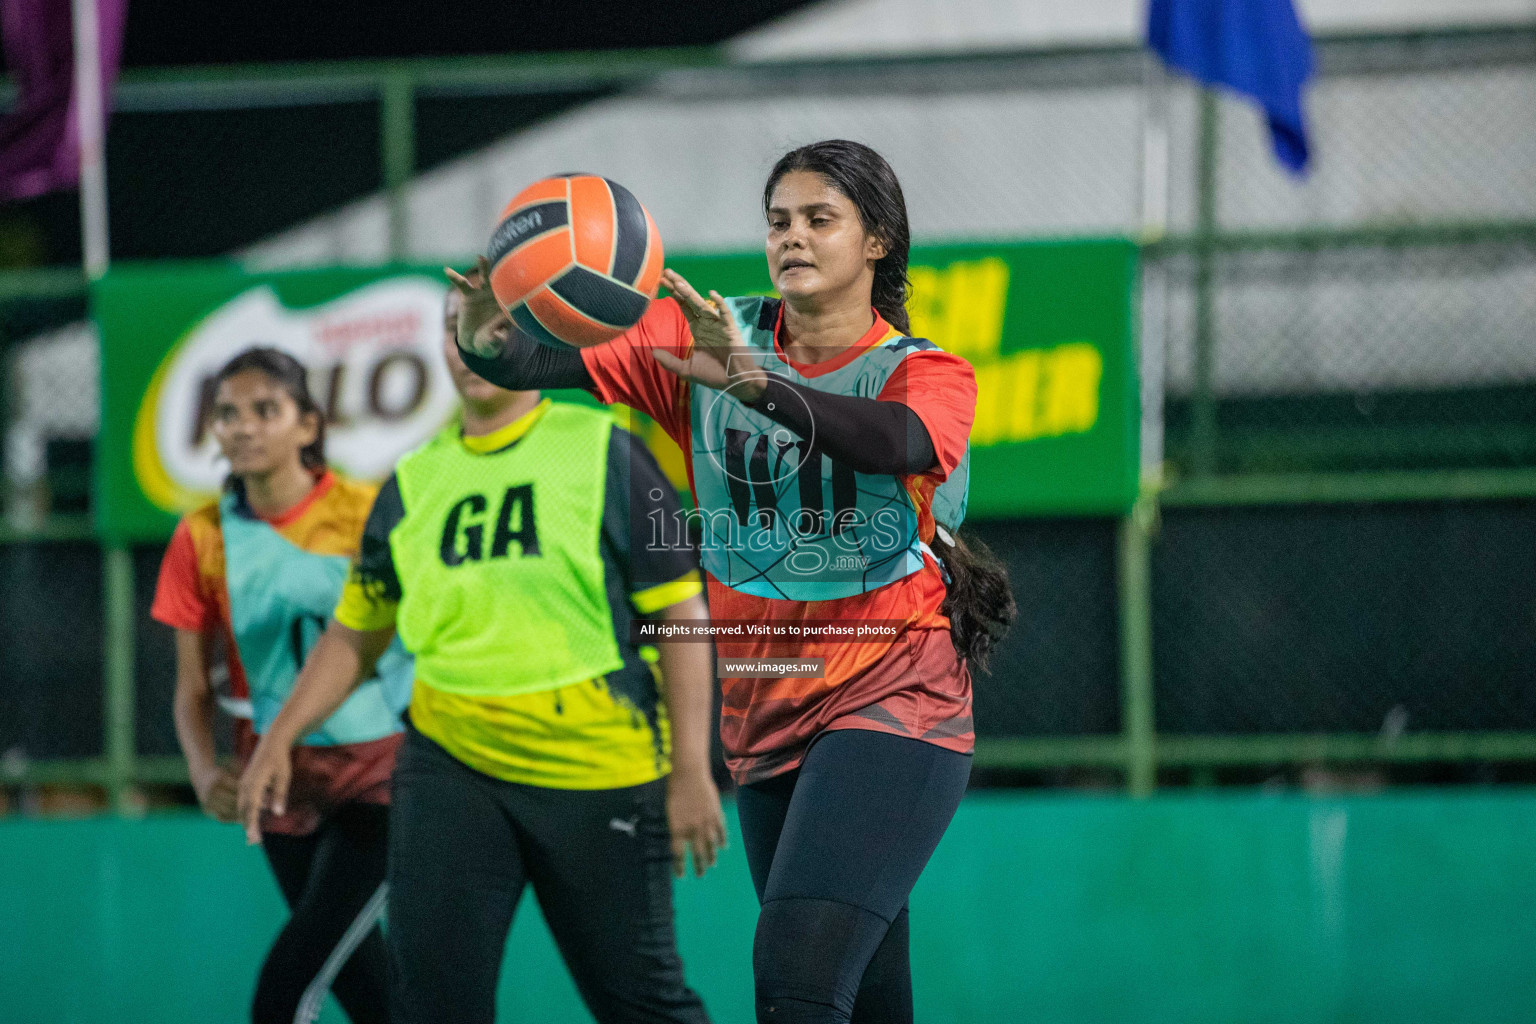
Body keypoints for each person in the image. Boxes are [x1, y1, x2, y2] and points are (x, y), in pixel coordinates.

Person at [452, 140, 1017, 1024]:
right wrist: (486, 319)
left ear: (877, 242)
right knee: (863, 998)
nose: (791, 236)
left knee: (794, 981)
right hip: (764, 710)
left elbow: (898, 442)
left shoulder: (924, 369)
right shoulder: (705, 339)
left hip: (894, 696)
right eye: (778, 221)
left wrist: (757, 384)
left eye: (819, 219)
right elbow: (516, 365)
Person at [238, 277, 725, 1024]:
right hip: (450, 766)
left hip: (600, 769)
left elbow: (682, 617)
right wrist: (281, 735)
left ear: (544, 344)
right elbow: (357, 631)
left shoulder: (607, 452)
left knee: (642, 1004)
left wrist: (692, 767)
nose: (473, 343)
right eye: (457, 326)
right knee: (432, 1007)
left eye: (498, 326)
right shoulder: (410, 482)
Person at [153, 347, 412, 1024]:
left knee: (288, 983)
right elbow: (192, 689)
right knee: (367, 990)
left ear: (308, 425)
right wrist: (203, 766)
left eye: (265, 410)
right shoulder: (203, 537)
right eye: (227, 414)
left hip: (380, 775)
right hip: (276, 785)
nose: (242, 427)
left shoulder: (367, 511)